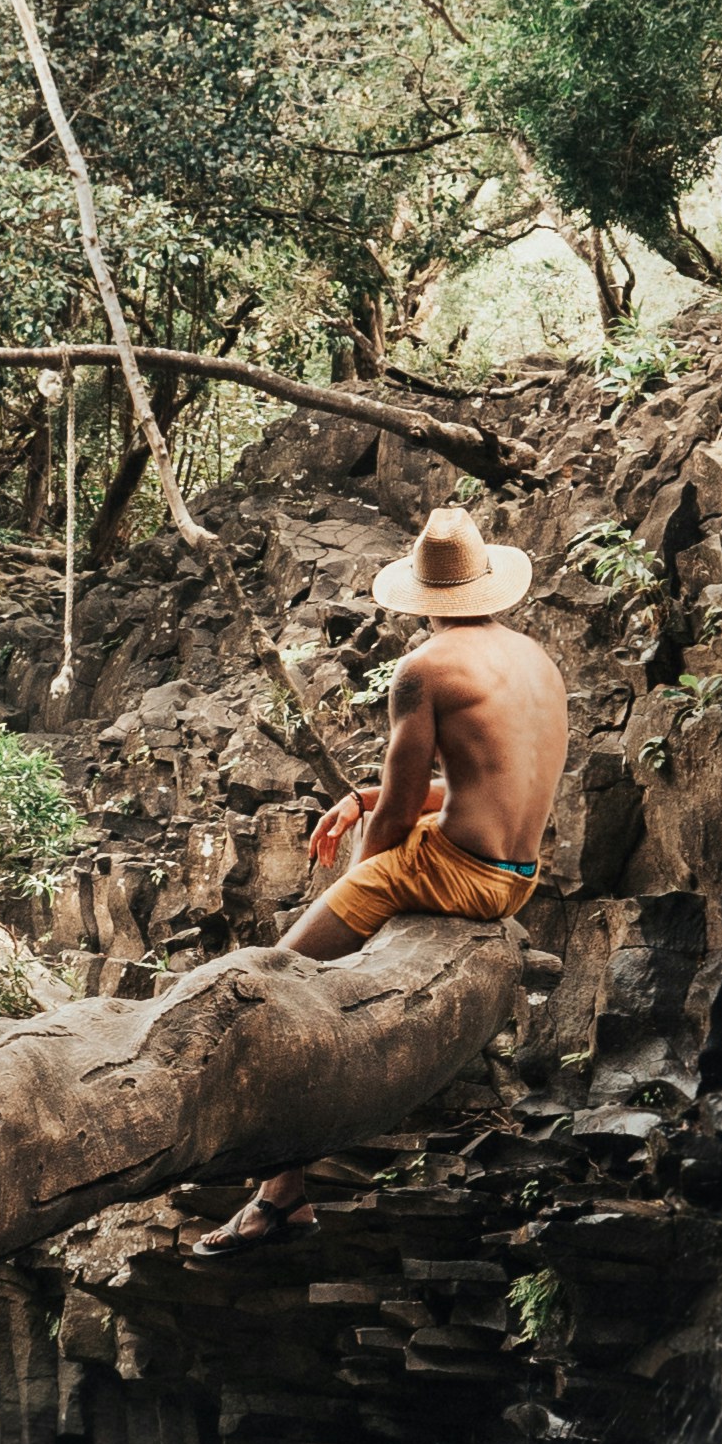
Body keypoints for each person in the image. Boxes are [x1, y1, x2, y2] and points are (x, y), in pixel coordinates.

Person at [191, 498, 568, 1257]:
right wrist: (364, 797)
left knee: (278, 980)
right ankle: (280, 1190)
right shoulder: (532, 659)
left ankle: (278, 1195)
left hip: (459, 873)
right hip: (517, 872)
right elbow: (490, 780)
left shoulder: (423, 671)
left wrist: (357, 893)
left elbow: (396, 816)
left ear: (423, 601)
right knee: (372, 851)